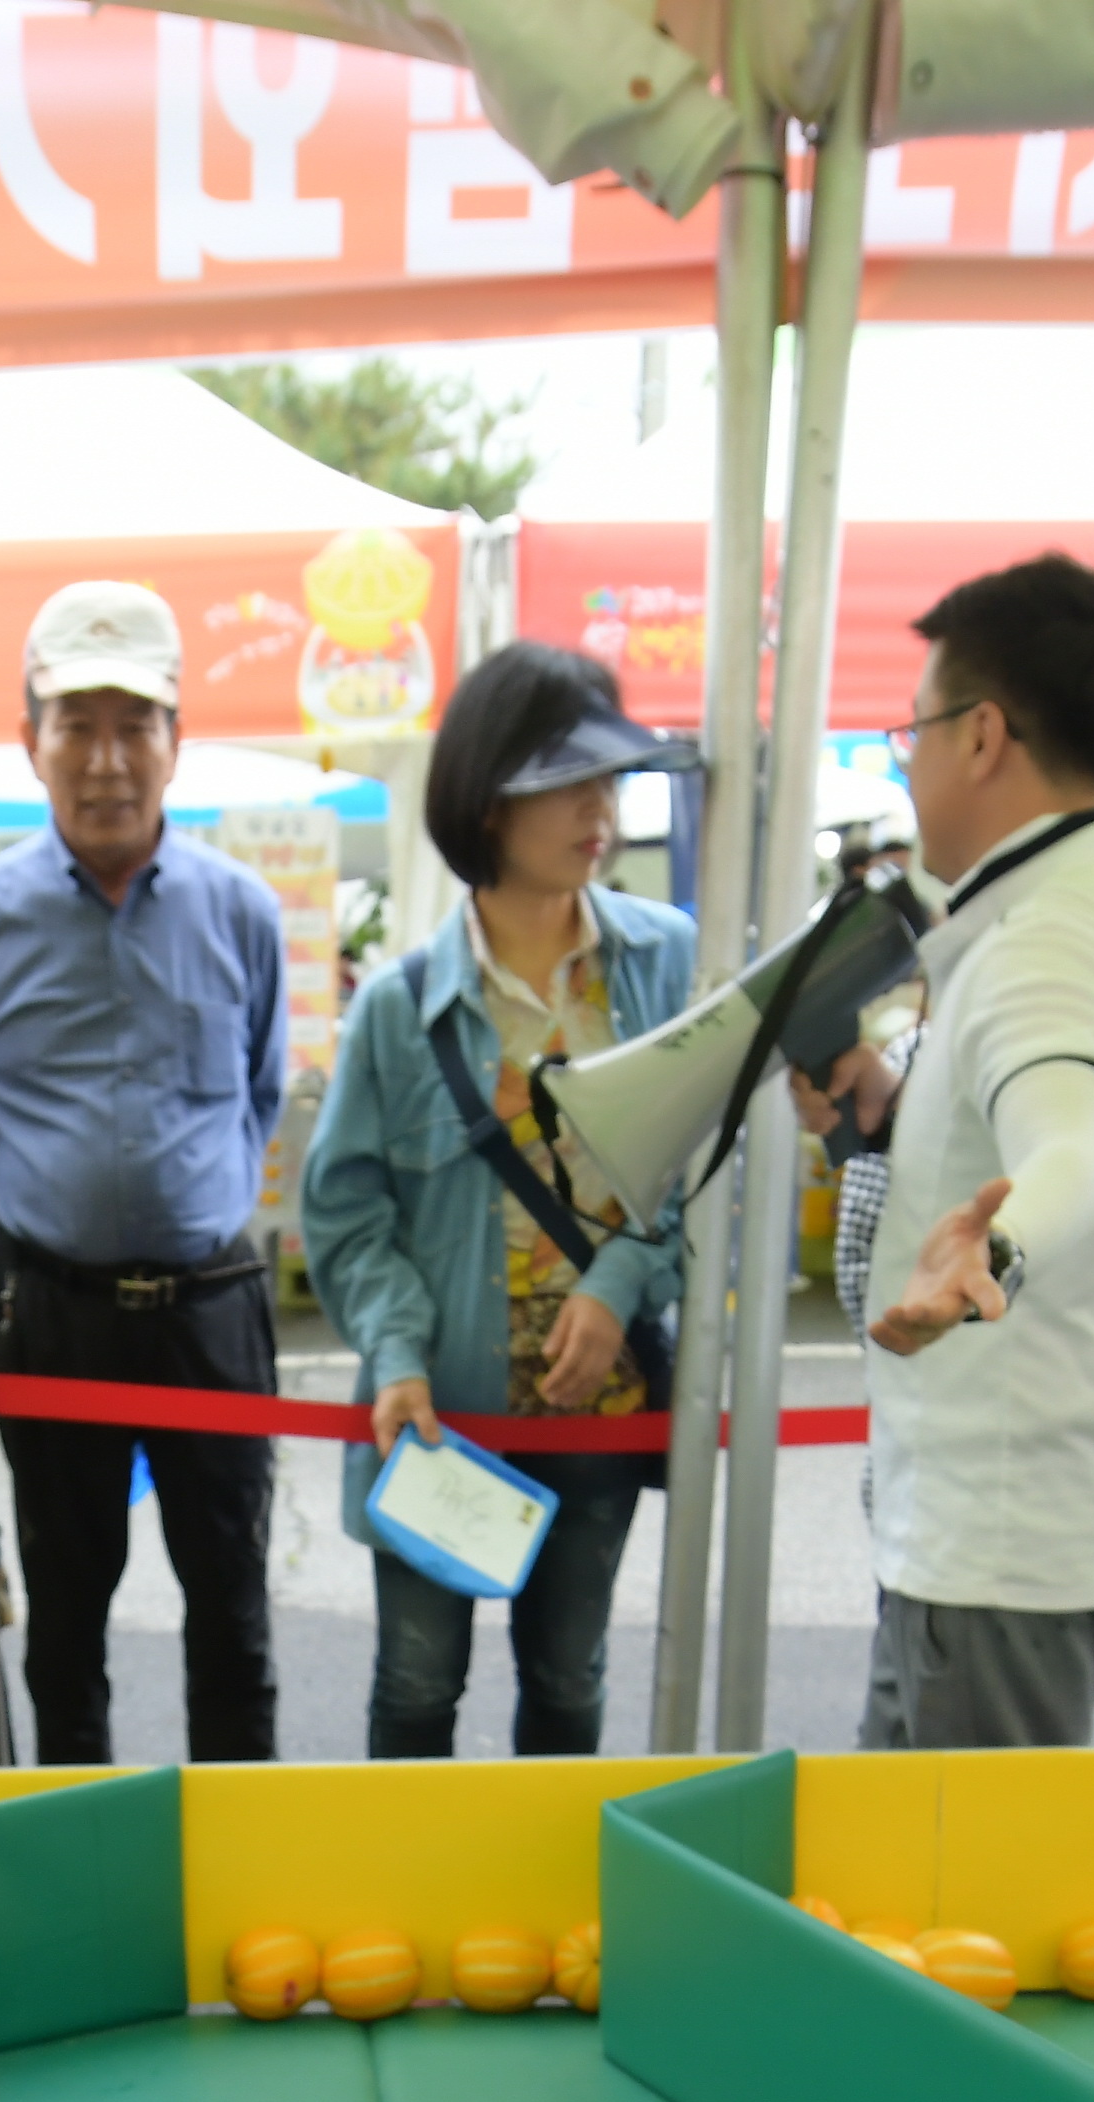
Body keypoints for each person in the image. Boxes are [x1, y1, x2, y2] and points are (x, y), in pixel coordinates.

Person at [830, 554, 1094, 1751]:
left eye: (915, 732)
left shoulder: (1049, 937)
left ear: (983, 734)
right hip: (1019, 1522)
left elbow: (1068, 1158)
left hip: (995, 1535)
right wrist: (888, 1111)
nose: (910, 764)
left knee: (953, 1871)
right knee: (935, 1857)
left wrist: (986, 1252)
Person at [299, 641, 697, 1758]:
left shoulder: (669, 967)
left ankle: (551, 1879)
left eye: (610, 777)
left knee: (568, 1681)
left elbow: (711, 1175)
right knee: (417, 1684)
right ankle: (420, 1877)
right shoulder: (400, 1008)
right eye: (566, 780)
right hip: (443, 1416)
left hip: (602, 1406)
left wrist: (621, 1285)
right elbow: (346, 1213)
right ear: (486, 797)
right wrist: (397, 1353)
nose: (599, 808)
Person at [0, 577, 290, 1764]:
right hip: (55, 1312)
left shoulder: (242, 911)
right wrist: (33, 1260)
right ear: (28, 741)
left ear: (178, 742)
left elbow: (261, 1094)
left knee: (231, 1605)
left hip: (210, 1310)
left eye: (135, 725)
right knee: (65, 1613)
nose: (106, 759)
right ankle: (79, 1838)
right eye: (75, 725)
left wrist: (193, 1208)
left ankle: (235, 1839)